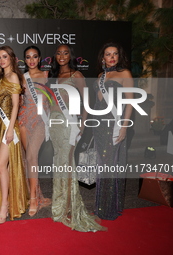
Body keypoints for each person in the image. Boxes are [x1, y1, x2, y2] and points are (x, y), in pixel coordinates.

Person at [49, 44, 105, 231]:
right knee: (59, 162)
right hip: (54, 124)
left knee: (67, 162)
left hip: (69, 124)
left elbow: (87, 100)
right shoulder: (54, 75)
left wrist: (82, 123)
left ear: (70, 55)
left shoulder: (77, 76)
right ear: (55, 56)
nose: (62, 56)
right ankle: (59, 203)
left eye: (65, 53)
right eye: (58, 53)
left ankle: (68, 207)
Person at [93, 42, 133, 220]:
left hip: (114, 124)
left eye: (115, 54)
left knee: (111, 164)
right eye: (108, 54)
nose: (112, 57)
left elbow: (130, 103)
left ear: (119, 56)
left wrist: (124, 127)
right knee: (102, 165)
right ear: (103, 57)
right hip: (99, 125)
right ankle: (101, 206)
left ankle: (109, 208)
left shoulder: (124, 73)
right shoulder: (100, 75)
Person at [0, 45, 28, 223]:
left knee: (0, 165)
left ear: (12, 59)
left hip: (10, 128)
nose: (1, 60)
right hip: (2, 127)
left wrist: (9, 128)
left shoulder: (13, 76)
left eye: (5, 56)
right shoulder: (1, 78)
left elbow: (16, 105)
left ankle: (5, 205)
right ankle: (7, 202)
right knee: (4, 167)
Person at [18, 46, 51, 217]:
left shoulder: (46, 75)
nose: (31, 60)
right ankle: (38, 195)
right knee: (28, 158)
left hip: (40, 121)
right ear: (25, 60)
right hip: (24, 120)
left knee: (32, 156)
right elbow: (21, 100)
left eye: (35, 56)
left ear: (39, 59)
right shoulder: (22, 78)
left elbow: (50, 99)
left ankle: (33, 199)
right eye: (28, 57)